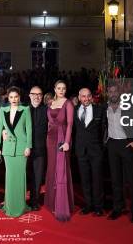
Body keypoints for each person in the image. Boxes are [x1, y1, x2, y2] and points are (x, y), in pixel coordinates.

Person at [106, 83, 133, 223]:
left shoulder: (128, 106)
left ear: (119, 93)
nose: (113, 93)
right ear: (108, 94)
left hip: (126, 144)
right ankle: (118, 208)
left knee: (131, 180)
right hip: (112, 145)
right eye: (111, 91)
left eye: (115, 91)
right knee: (115, 180)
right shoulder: (105, 108)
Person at [0, 86, 32, 217]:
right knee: (10, 178)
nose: (14, 99)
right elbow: (0, 128)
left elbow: (29, 129)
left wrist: (28, 146)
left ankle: (20, 205)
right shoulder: (3, 110)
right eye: (11, 97)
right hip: (8, 149)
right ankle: (9, 204)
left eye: (16, 97)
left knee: (21, 177)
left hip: (22, 149)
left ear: (19, 97)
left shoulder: (25, 110)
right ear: (8, 98)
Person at [44, 80, 74, 222]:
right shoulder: (50, 104)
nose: (61, 90)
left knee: (61, 170)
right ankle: (52, 202)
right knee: (52, 169)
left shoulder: (68, 104)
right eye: (59, 88)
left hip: (63, 139)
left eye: (64, 88)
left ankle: (62, 204)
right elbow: (49, 123)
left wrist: (67, 142)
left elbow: (69, 124)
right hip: (50, 139)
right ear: (54, 89)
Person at [75, 87, 106, 216]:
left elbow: (104, 130)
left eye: (88, 96)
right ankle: (88, 205)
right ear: (79, 97)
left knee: (97, 179)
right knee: (85, 179)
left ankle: (98, 207)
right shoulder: (74, 110)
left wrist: (101, 147)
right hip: (81, 150)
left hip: (96, 151)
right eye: (83, 96)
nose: (86, 98)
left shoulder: (99, 110)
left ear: (91, 97)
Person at [27, 86, 48, 210]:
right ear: (29, 95)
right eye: (34, 94)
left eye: (39, 94)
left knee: (38, 176)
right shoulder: (23, 110)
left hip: (40, 149)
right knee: (24, 176)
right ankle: (22, 200)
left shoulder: (47, 110)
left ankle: (34, 201)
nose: (36, 96)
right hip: (24, 150)